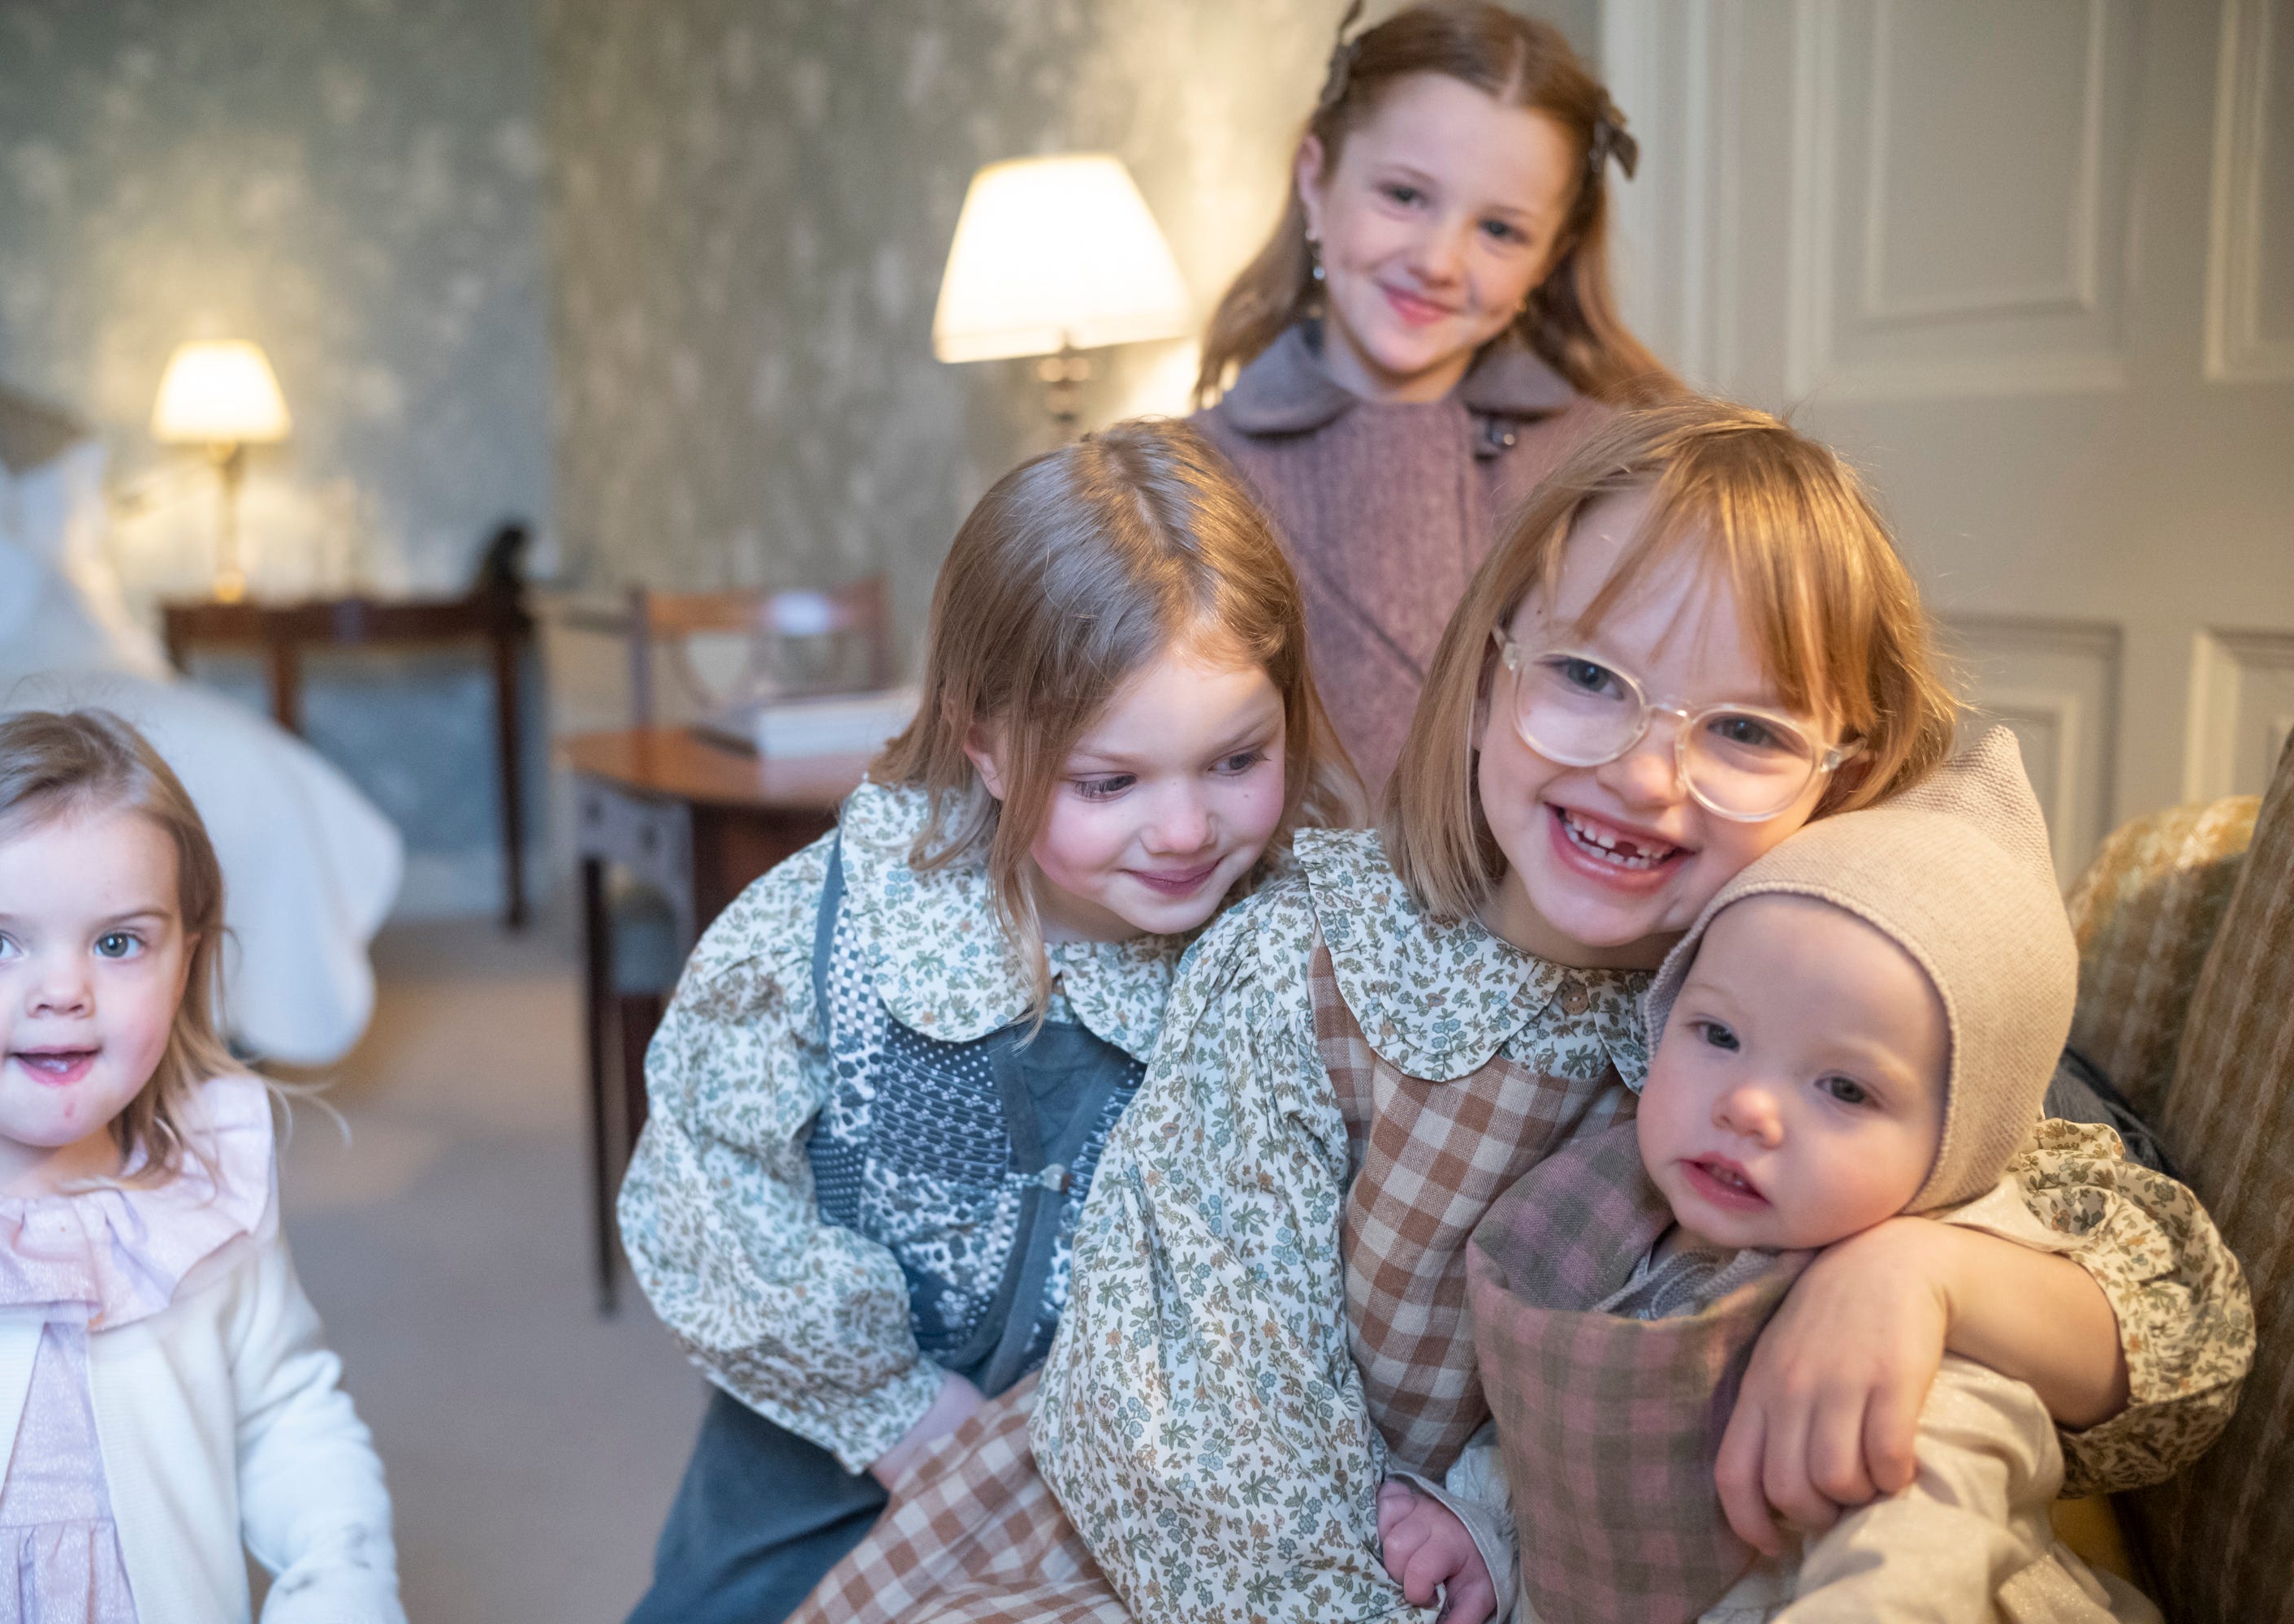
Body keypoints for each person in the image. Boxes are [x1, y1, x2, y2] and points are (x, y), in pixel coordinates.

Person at [789, 402, 2245, 1624]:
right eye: (1589, 680)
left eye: (1746, 729)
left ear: (1845, 777)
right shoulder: (1314, 960)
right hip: (1239, 1563)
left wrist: (1922, 1275)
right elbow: (1201, 1416)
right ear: (1488, 680)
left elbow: (2183, 1337)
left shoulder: (1836, 1000)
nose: (1644, 777)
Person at [614, 421, 1360, 1624]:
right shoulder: (838, 928)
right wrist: (892, 1408)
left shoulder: (1294, 940)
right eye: (1110, 781)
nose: (1185, 831)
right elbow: (706, 1182)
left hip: (1106, 1475)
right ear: (986, 746)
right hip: (824, 1442)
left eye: (1237, 760)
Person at [1378, 731, 2218, 1622]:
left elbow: (1916, 1563)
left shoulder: (1911, 1351)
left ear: (1963, 1145)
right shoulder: (1621, 1230)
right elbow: (1576, 1441)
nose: (1748, 1105)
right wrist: (1487, 1526)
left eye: (1845, 1088)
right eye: (1719, 1034)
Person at [0, 709, 403, 1624]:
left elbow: (285, 1412)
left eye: (118, 943)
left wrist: (341, 1581)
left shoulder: (207, 1195)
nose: (63, 992)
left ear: (183, 965)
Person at [1192, 0, 1678, 791]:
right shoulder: (1189, 476)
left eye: (1501, 231)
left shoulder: (1624, 472)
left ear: (1550, 256)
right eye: (1405, 196)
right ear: (1315, 179)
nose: (1439, 262)